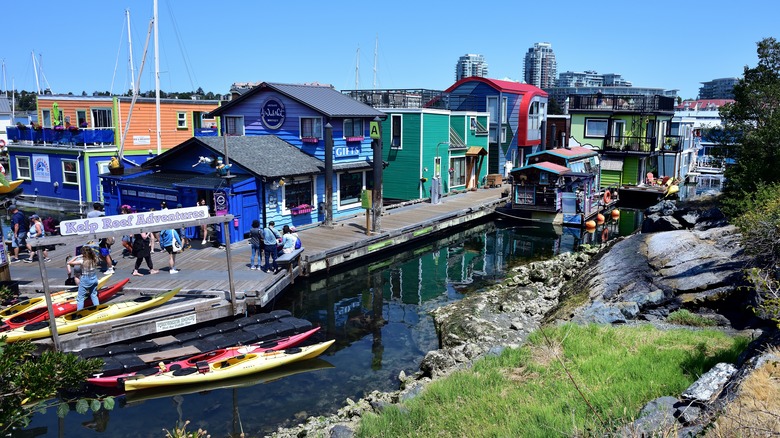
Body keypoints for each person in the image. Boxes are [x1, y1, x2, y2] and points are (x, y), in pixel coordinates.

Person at [67, 246, 99, 311]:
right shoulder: (94, 259)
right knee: (93, 295)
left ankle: (79, 312)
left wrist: (76, 257)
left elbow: (69, 262)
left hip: (85, 279)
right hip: (94, 278)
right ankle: (97, 308)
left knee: (80, 298)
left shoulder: (82, 261)